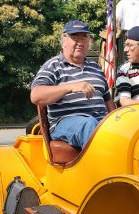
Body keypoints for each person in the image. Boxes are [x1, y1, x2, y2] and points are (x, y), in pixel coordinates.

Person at [31, 20, 115, 149]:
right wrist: (70, 87)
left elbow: (109, 103)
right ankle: (106, 168)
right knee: (88, 124)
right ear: (64, 41)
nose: (80, 42)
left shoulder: (96, 68)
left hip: (100, 123)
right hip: (66, 123)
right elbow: (36, 96)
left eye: (84, 38)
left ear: (89, 42)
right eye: (75, 37)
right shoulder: (53, 66)